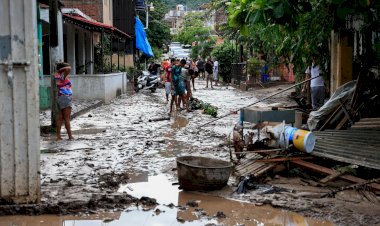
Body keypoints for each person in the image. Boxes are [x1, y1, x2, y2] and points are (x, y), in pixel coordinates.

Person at [55, 62, 74, 140]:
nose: (68, 71)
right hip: (65, 97)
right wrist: (60, 70)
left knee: (60, 117)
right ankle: (70, 136)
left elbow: (68, 68)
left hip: (60, 97)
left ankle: (58, 136)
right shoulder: (62, 75)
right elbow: (69, 68)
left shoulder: (58, 76)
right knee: (67, 118)